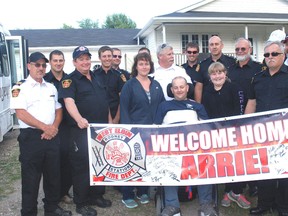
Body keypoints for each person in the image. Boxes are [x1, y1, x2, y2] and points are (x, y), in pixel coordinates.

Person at [10, 52, 71, 216]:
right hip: (31, 138)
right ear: (29, 65)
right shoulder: (19, 87)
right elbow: (21, 113)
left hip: (52, 136)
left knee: (53, 176)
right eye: (37, 64)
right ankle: (29, 212)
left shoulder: (50, 87)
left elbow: (58, 110)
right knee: (31, 179)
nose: (41, 68)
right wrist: (45, 127)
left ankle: (51, 208)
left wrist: (53, 128)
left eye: (44, 65)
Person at [58, 46, 112, 216]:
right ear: (74, 62)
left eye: (87, 58)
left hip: (101, 130)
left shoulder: (96, 76)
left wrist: (110, 123)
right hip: (81, 130)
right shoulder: (69, 80)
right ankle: (81, 202)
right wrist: (79, 119)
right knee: (82, 166)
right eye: (80, 59)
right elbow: (69, 102)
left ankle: (97, 195)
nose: (85, 62)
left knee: (100, 163)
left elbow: (105, 102)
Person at [154, 76, 217, 216]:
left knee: (205, 164)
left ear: (187, 88)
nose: (179, 90)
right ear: (171, 90)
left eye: (182, 87)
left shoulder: (197, 106)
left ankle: (206, 204)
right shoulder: (164, 106)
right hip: (170, 150)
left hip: (194, 150)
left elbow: (207, 128)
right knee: (166, 168)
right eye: (175, 87)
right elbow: (155, 129)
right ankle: (172, 206)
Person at [245, 41, 288, 216]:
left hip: (285, 132)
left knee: (284, 170)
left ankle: (284, 206)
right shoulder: (257, 78)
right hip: (262, 133)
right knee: (265, 169)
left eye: (274, 54)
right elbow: (252, 102)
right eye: (266, 55)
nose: (269, 57)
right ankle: (264, 203)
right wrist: (246, 127)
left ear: (283, 55)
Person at [200, 62, 250, 209]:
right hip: (216, 133)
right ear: (210, 77)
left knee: (237, 162)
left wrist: (232, 128)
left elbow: (239, 110)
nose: (217, 76)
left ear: (225, 73)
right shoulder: (207, 91)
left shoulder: (234, 88)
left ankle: (236, 191)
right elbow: (206, 113)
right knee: (224, 162)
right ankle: (227, 191)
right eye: (214, 73)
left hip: (234, 131)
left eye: (220, 72)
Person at [120, 52, 165, 209]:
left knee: (147, 162)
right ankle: (127, 194)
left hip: (153, 131)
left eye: (146, 63)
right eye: (141, 64)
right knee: (132, 162)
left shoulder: (156, 84)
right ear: (136, 66)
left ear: (150, 66)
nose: (144, 66)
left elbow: (162, 106)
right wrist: (128, 131)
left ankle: (143, 191)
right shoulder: (129, 85)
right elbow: (124, 109)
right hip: (134, 131)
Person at [227, 37, 262, 198]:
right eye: (237, 49)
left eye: (243, 49)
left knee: (253, 151)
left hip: (253, 115)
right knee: (236, 152)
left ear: (250, 50)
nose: (240, 52)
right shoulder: (229, 69)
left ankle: (255, 184)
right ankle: (235, 185)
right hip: (233, 113)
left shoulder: (259, 68)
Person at [44, 50, 73, 204]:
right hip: (51, 126)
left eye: (60, 60)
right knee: (52, 163)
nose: (58, 63)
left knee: (67, 160)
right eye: (55, 60)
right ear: (50, 62)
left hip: (67, 126)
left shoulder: (69, 79)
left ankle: (64, 192)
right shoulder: (44, 80)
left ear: (64, 61)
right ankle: (52, 195)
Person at [194, 35, 235, 103]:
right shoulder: (203, 65)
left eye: (217, 44)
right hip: (208, 103)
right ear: (209, 47)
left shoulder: (231, 62)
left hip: (228, 102)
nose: (214, 47)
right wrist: (198, 107)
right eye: (211, 44)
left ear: (222, 46)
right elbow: (199, 87)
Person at [93, 46, 125, 124]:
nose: (107, 59)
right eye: (104, 56)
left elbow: (123, 99)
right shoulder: (93, 75)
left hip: (116, 116)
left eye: (109, 56)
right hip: (98, 117)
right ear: (99, 58)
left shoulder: (119, 76)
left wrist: (117, 118)